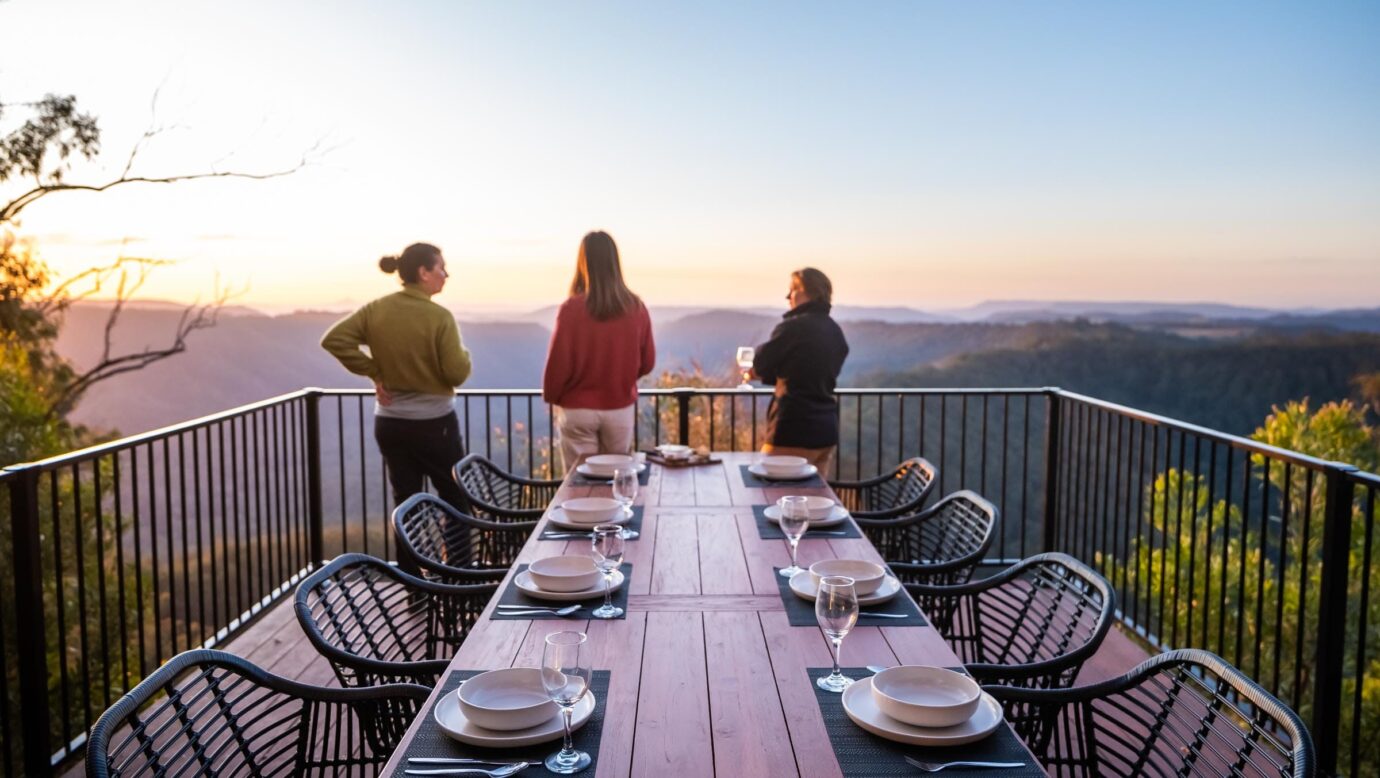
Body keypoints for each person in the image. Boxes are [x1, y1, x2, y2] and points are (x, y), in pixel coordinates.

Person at [320, 242, 473, 512]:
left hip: (390, 424)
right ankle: (457, 556)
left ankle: (411, 555)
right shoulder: (440, 317)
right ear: (424, 272)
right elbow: (456, 373)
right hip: (435, 425)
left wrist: (375, 371)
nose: (446, 275)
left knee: (405, 506)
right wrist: (465, 355)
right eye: (442, 268)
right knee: (455, 500)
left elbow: (334, 340)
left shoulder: (376, 309)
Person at [542, 231, 656, 472]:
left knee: (578, 482)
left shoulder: (571, 309)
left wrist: (552, 396)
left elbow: (558, 364)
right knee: (616, 477)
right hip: (619, 407)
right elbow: (647, 361)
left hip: (577, 410)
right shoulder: (635, 307)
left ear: (583, 263)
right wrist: (622, 378)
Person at [752, 267, 849, 475]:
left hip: (792, 428)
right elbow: (808, 373)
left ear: (808, 292)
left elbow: (760, 363)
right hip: (825, 432)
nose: (788, 296)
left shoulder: (792, 328)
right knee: (812, 500)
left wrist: (759, 370)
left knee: (771, 494)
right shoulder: (834, 331)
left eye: (793, 290)